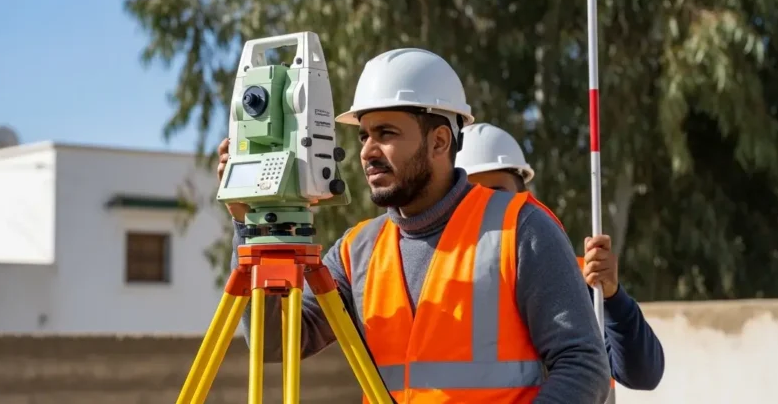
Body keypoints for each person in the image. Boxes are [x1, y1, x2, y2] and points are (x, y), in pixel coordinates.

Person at [218, 47, 611, 403]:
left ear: (439, 141)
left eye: (386, 133)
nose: (368, 152)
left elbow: (584, 365)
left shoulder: (520, 228)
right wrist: (248, 225)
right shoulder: (357, 251)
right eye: (364, 136)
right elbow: (274, 344)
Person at [455, 122, 666, 391]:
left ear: (523, 198)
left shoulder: (574, 277)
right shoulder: (435, 284)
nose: (486, 208)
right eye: (471, 197)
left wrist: (612, 297)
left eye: (497, 195)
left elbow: (644, 374)